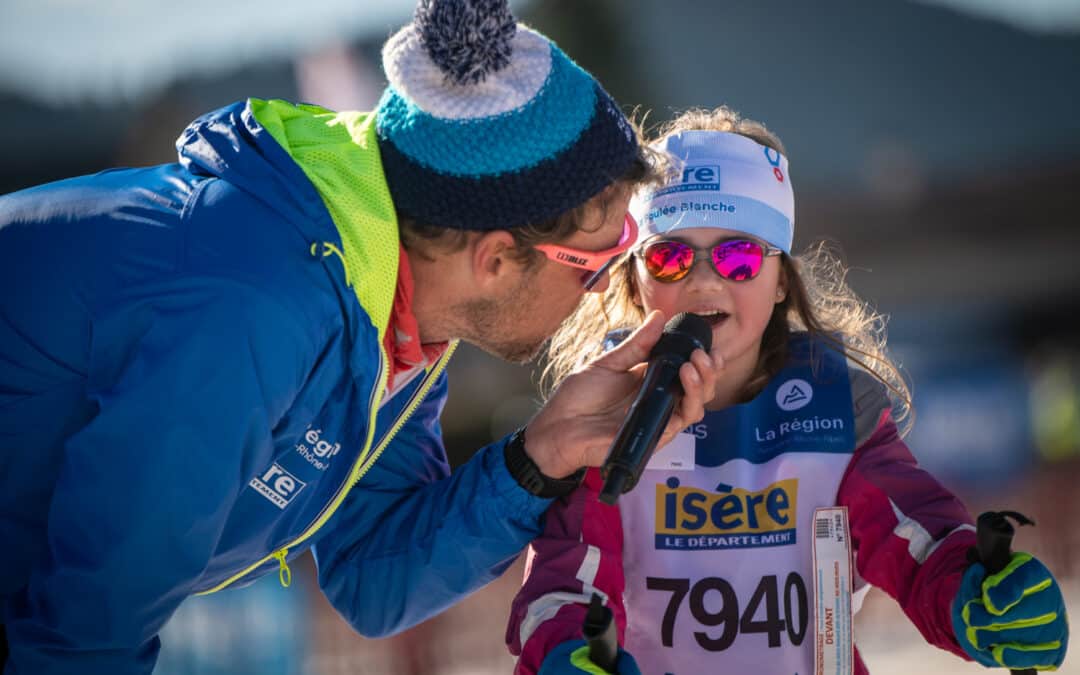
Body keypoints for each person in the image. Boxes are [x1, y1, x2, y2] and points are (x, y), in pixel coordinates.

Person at [0, 1, 719, 672]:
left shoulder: (386, 315)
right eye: (597, 261)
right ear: (495, 258)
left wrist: (540, 455)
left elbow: (372, 579)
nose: (604, 287)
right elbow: (83, 632)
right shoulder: (259, 304)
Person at [506, 107, 1069, 674]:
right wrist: (568, 653)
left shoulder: (833, 409)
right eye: (671, 257)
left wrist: (972, 592)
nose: (704, 280)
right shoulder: (600, 420)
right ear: (634, 278)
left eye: (739, 256)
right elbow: (566, 582)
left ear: (781, 282)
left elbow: (916, 537)